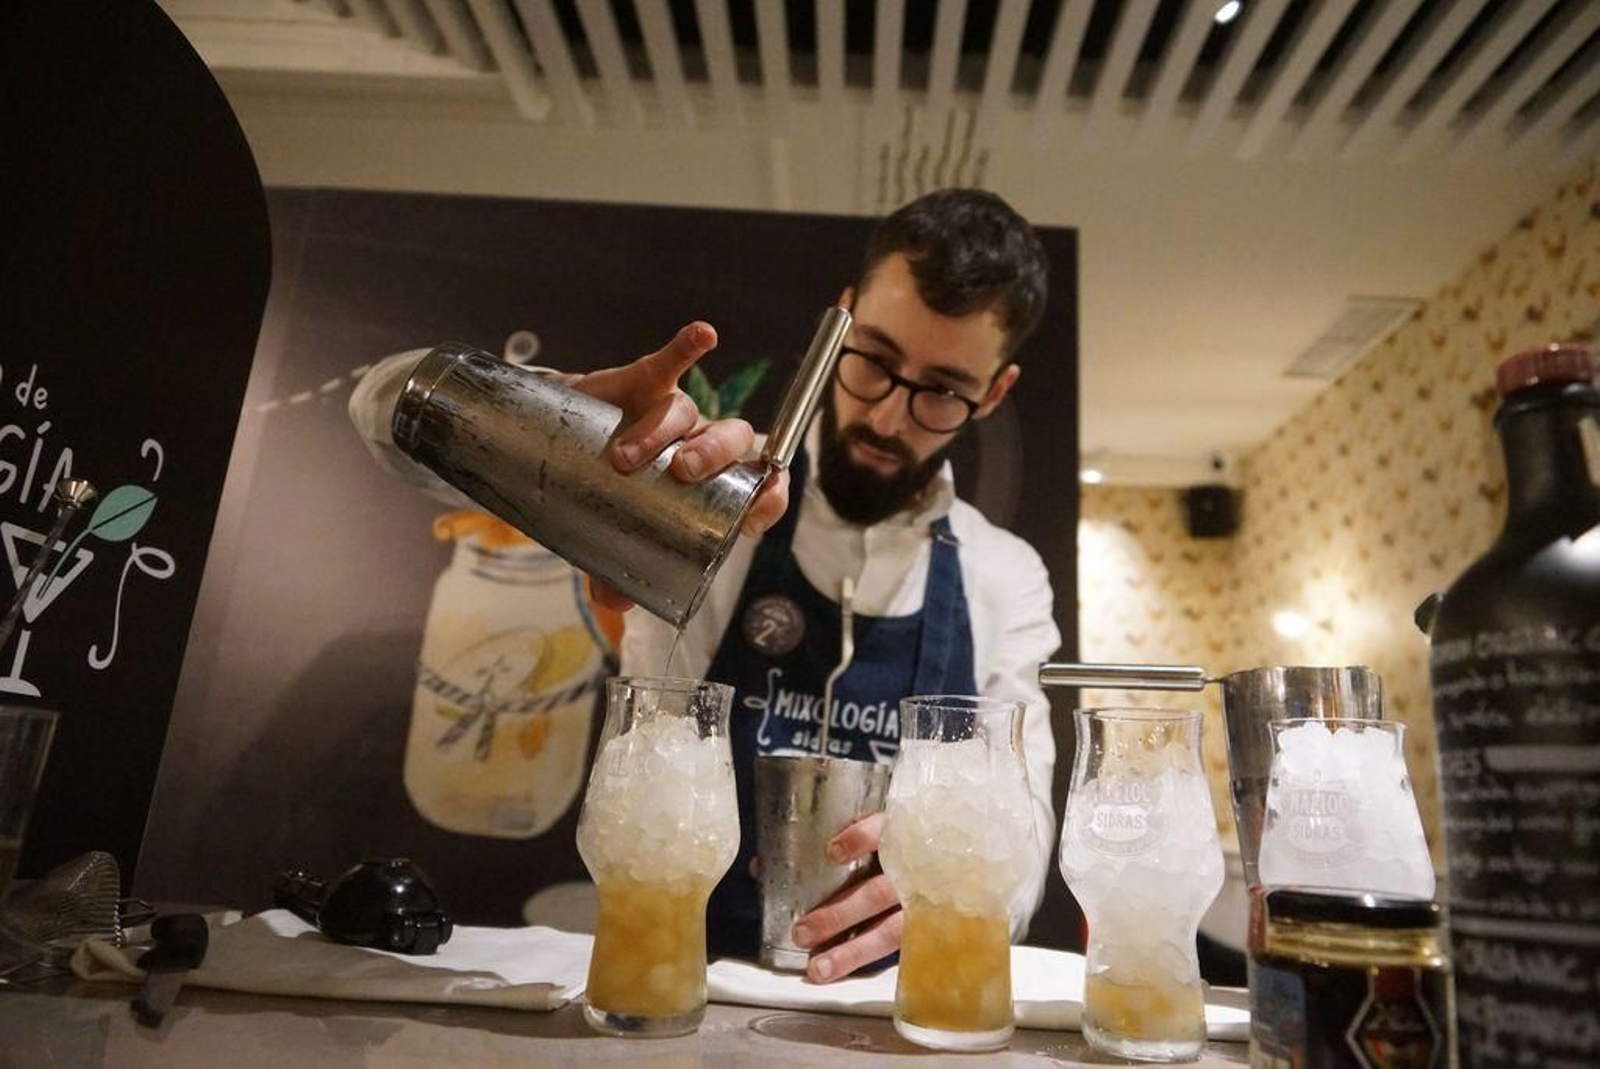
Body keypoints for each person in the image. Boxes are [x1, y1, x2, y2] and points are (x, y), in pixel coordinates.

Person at [351, 188, 1061, 984]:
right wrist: (559, 427)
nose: (889, 419)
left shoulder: (1005, 576)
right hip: (687, 992)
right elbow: (383, 415)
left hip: (894, 1022)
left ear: (994, 392)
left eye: (942, 390)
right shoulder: (717, 501)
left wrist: (963, 876)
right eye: (875, 362)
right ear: (843, 319)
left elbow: (1026, 848)